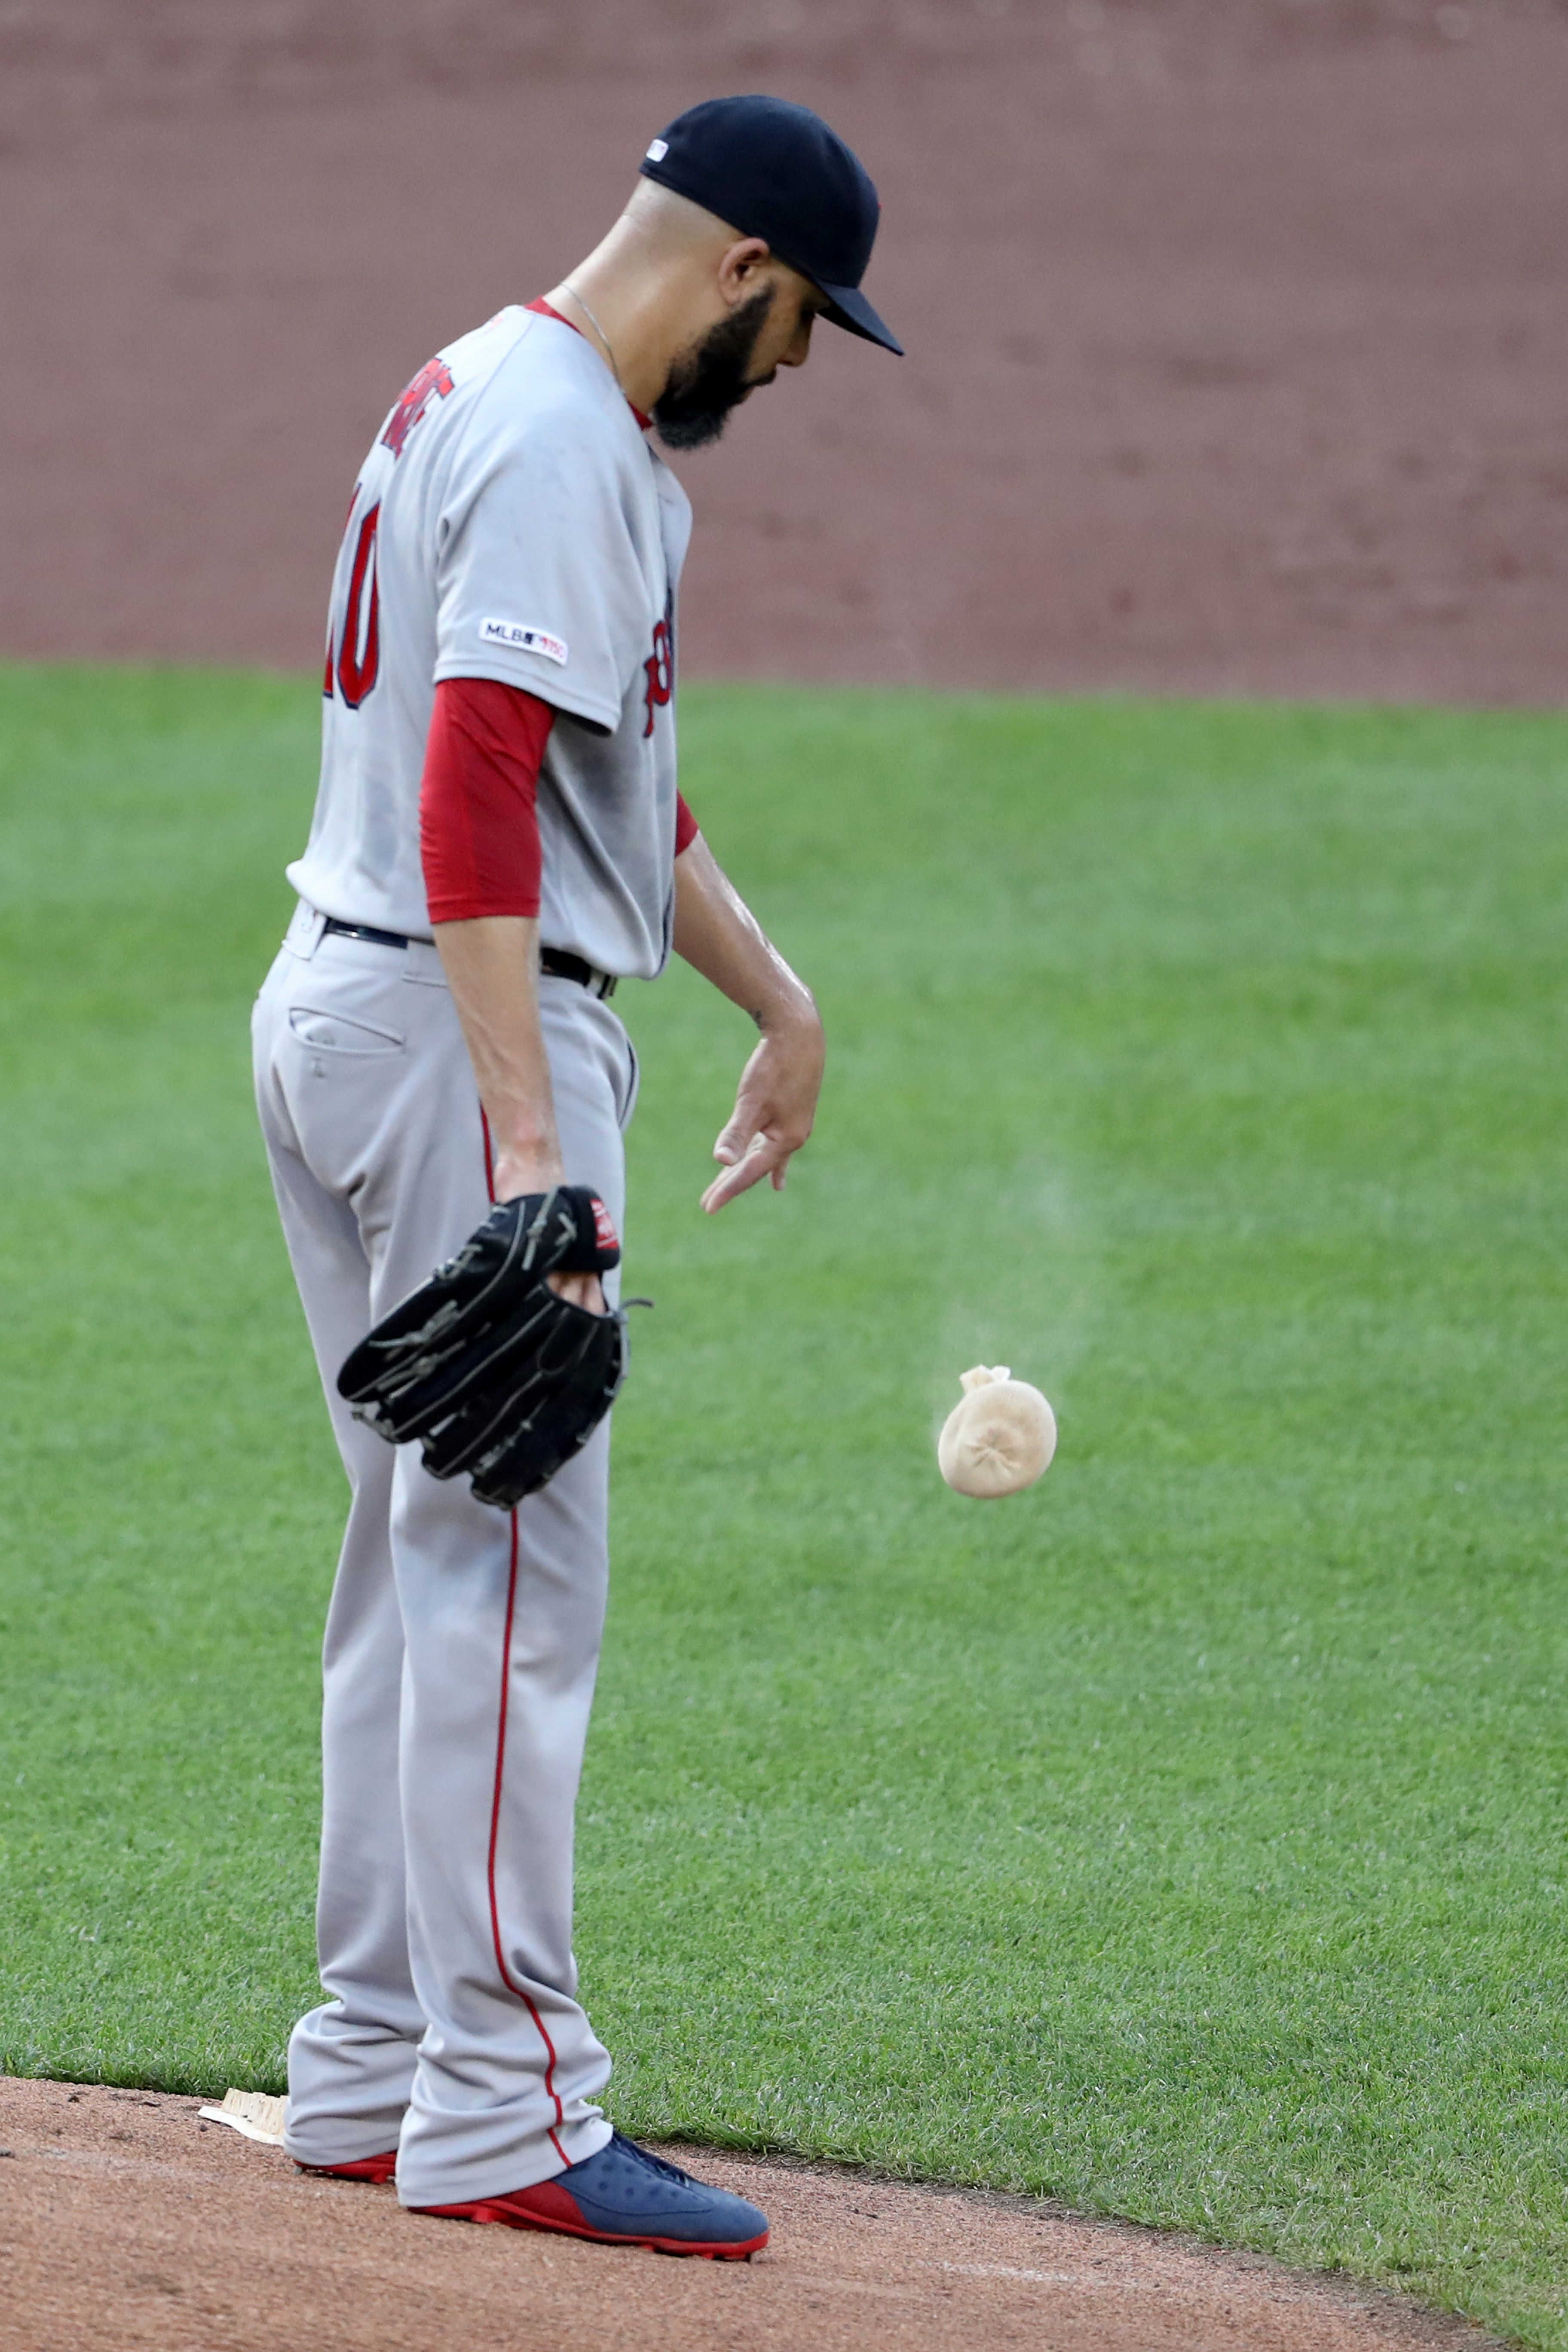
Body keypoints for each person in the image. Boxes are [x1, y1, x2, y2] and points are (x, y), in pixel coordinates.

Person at [251, 95, 900, 2260]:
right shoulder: (562, 440)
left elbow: (611, 765)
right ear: (738, 270)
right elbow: (485, 782)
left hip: (350, 1009)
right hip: (459, 1042)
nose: (797, 370)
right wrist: (534, 1145)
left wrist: (775, 999)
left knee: (414, 1555)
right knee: (515, 1587)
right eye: (803, 322)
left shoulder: (485, 381)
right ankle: (509, 2104)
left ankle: (367, 2063)